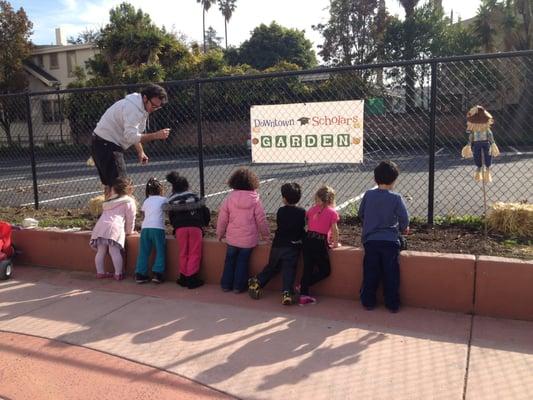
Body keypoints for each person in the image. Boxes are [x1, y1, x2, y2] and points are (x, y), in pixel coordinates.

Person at [91, 83, 171, 198]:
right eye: (153, 105)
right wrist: (156, 135)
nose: (154, 109)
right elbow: (131, 136)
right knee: (121, 187)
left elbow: (134, 133)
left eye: (157, 107)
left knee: (111, 186)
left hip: (101, 143)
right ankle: (119, 214)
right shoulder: (133, 109)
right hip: (107, 145)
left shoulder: (139, 106)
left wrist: (140, 151)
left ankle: (109, 213)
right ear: (145, 98)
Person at [358, 160, 409, 313]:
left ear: (375, 179)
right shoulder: (396, 198)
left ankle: (368, 301)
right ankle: (392, 303)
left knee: (370, 271)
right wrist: (403, 228)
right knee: (391, 273)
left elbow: (361, 213)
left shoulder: (368, 195)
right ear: (394, 180)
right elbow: (404, 219)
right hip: (390, 241)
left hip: (371, 241)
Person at [248, 182, 306, 305]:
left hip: (278, 244)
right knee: (289, 269)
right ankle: (287, 292)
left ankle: (257, 281)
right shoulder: (302, 212)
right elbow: (301, 228)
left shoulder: (280, 211)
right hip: (292, 246)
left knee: (272, 266)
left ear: (284, 199)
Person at [217, 167, 270, 293]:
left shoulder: (229, 198)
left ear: (234, 182)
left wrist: (220, 234)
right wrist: (266, 236)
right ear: (252, 183)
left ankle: (226, 285)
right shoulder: (255, 200)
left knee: (229, 260)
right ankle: (238, 287)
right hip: (248, 240)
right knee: (242, 262)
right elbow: (261, 220)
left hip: (232, 238)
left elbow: (222, 218)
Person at [164, 171, 210, 289]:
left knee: (183, 252)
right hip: (195, 227)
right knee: (194, 252)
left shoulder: (172, 199)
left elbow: (171, 216)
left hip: (180, 229)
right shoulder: (194, 196)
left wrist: (176, 226)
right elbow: (205, 211)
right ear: (187, 185)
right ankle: (192, 278)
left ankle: (183, 277)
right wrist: (204, 223)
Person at [298, 185, 340, 305]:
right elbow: (335, 229)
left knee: (308, 268)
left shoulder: (311, 210)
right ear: (331, 199)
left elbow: (308, 222)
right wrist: (336, 243)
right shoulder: (332, 213)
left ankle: (303, 293)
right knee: (325, 270)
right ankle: (303, 286)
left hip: (308, 240)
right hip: (319, 243)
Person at [90, 177, 136, 280]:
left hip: (100, 227)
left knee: (101, 251)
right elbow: (130, 218)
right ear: (127, 189)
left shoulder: (107, 202)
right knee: (114, 251)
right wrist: (129, 231)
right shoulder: (128, 201)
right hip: (114, 228)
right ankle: (118, 273)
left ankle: (100, 272)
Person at [134, 177, 168, 284]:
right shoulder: (163, 200)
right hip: (158, 228)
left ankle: (140, 274)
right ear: (161, 190)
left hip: (145, 228)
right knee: (160, 250)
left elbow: (144, 215)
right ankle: (158, 274)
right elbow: (167, 211)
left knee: (144, 251)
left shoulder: (146, 201)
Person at [464, 105, 500, 183]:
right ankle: (479, 168)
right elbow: (471, 136)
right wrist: (469, 144)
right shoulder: (474, 130)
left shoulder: (486, 129)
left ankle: (487, 168)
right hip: (478, 143)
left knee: (487, 154)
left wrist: (493, 143)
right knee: (477, 155)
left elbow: (490, 135)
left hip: (484, 142)